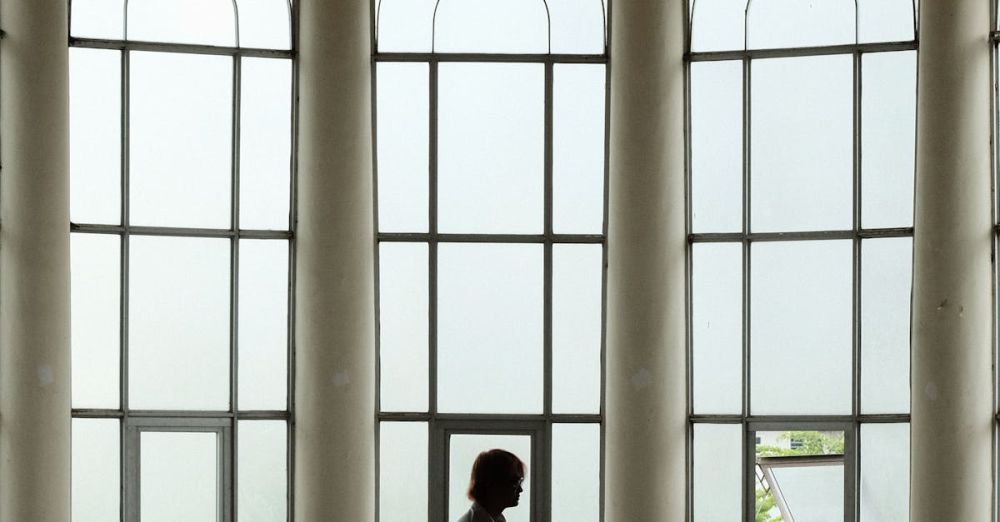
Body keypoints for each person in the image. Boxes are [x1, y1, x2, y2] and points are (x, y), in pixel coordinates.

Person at [456, 449, 526, 522]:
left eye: (519, 481)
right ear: (492, 484)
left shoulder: (496, 519)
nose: (520, 489)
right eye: (515, 482)